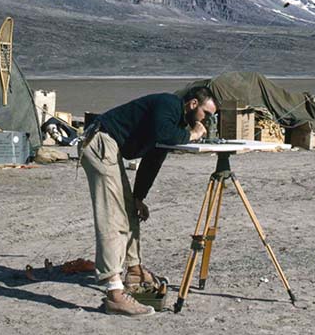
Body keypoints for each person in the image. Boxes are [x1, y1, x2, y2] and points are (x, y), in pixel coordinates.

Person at [80, 87, 218, 316]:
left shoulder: (175, 124)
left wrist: (138, 197)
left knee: (129, 210)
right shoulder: (169, 105)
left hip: (110, 148)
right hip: (100, 143)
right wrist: (193, 134)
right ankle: (114, 292)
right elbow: (164, 136)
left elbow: (153, 159)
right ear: (193, 104)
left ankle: (134, 271)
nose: (208, 120)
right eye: (207, 113)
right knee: (113, 217)